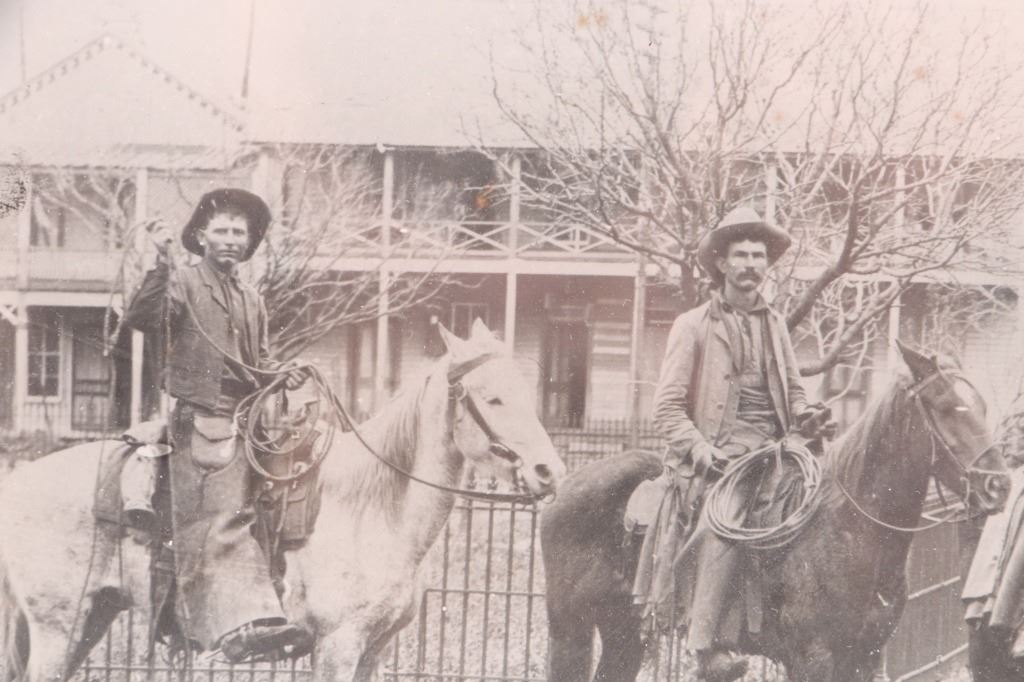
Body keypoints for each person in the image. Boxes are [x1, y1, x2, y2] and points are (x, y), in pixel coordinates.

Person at [123, 188, 312, 663]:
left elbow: (259, 358)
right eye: (222, 230)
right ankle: (240, 627)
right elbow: (145, 317)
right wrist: (162, 262)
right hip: (201, 422)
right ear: (202, 237)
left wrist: (280, 371)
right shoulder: (182, 282)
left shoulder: (251, 297)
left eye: (240, 232)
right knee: (225, 516)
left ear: (249, 243)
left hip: (245, 419)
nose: (231, 239)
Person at [644, 207, 826, 681]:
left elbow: (794, 387)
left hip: (780, 448)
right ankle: (708, 645)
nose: (751, 264)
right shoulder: (693, 325)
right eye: (741, 255)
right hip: (722, 457)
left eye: (759, 256)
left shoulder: (776, 324)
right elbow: (666, 409)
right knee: (726, 522)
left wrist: (807, 415)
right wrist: (703, 451)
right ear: (721, 264)